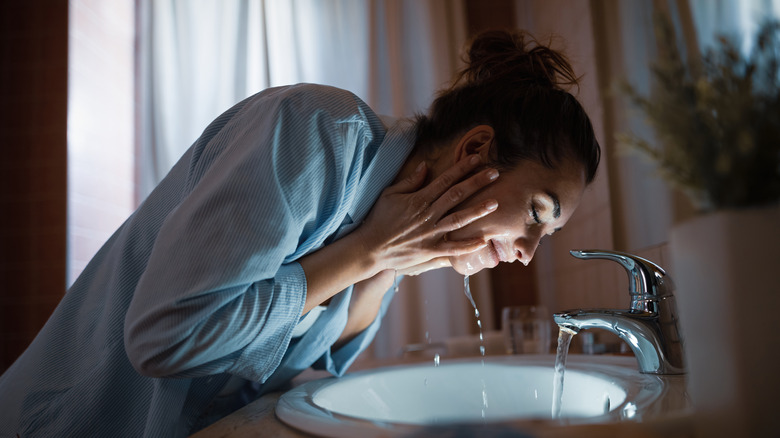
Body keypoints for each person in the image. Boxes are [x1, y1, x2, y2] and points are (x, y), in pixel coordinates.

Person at [0, 30, 600, 436]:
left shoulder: (392, 222)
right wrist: (368, 252)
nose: (525, 255)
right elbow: (164, 340)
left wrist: (389, 257)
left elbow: (308, 366)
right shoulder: (316, 132)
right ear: (475, 148)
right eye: (536, 214)